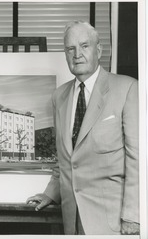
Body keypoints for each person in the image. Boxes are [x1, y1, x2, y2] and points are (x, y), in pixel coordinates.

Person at [26, 21, 139, 235]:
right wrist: (50, 194)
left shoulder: (128, 89)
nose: (77, 54)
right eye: (70, 49)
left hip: (113, 223)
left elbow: (139, 160)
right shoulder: (59, 97)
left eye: (84, 46)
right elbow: (66, 160)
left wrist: (134, 216)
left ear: (99, 50)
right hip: (72, 220)